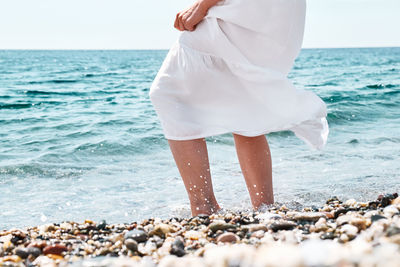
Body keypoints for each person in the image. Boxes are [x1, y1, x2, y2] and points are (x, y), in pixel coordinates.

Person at [149, 0, 329, 216]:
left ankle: (204, 206)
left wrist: (203, 5)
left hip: (247, 9)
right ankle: (264, 207)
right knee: (245, 99)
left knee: (168, 92)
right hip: (276, 14)